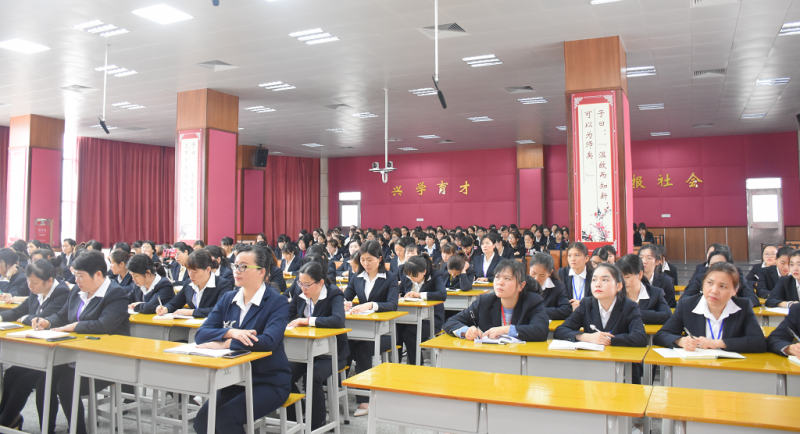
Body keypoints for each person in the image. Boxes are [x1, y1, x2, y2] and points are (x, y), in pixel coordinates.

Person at [192, 245, 291, 434]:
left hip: (268, 381)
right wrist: (232, 333)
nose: (236, 271)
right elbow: (201, 334)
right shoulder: (228, 298)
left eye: (243, 266)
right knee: (203, 422)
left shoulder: (276, 302)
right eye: (235, 265)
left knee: (225, 420)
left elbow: (268, 341)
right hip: (234, 380)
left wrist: (226, 343)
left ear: (262, 271)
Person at [32, 250, 130, 434]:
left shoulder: (116, 293)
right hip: (77, 356)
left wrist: (74, 326)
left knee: (67, 385)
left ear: (98, 274)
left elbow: (104, 325)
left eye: (80, 276)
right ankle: (47, 429)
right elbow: (62, 315)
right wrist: (48, 322)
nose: (76, 281)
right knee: (44, 381)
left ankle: (78, 431)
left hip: (107, 360)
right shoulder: (78, 290)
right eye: (75, 275)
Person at [0, 259, 69, 431]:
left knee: (22, 382)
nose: (29, 286)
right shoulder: (36, 290)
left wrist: (25, 318)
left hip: (59, 355)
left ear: (49, 281)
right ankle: (7, 419)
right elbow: (19, 311)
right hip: (38, 350)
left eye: (34, 283)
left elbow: (43, 318)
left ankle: (4, 422)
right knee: (11, 374)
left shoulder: (62, 292)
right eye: (28, 281)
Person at [285, 262, 348, 430]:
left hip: (331, 353)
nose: (303, 288)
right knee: (284, 373)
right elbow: (288, 315)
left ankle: (317, 423)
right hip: (304, 351)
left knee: (312, 376)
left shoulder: (333, 293)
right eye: (300, 283)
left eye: (307, 284)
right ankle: (297, 415)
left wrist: (307, 321)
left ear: (320, 282)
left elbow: (338, 320)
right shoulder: (300, 292)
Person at [654, 262, 766, 354]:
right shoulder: (687, 305)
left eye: (722, 286)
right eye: (710, 283)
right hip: (696, 367)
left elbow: (759, 342)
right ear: (703, 284)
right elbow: (661, 335)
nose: (714, 291)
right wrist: (681, 341)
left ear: (735, 290)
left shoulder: (743, 307)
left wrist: (718, 343)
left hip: (731, 368)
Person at [343, 240, 398, 416]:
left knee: (361, 347)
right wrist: (345, 303)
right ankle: (339, 391)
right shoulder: (357, 277)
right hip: (360, 330)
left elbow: (392, 304)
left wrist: (371, 305)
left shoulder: (390, 278)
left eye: (369, 260)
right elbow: (346, 296)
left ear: (379, 259)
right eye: (362, 260)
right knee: (344, 345)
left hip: (384, 333)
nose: (365, 264)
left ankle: (365, 399)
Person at [443, 259, 549, 341]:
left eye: (507, 278)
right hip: (490, 356)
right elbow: (451, 322)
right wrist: (466, 331)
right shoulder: (485, 301)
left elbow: (541, 331)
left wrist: (505, 330)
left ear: (521, 286)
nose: (500, 282)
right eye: (497, 277)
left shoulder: (532, 301)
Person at [554, 263, 648, 347]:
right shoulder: (586, 304)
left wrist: (608, 340)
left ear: (618, 286)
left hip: (619, 358)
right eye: (594, 279)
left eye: (605, 280)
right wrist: (587, 337)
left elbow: (640, 338)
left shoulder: (630, 306)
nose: (597, 284)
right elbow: (560, 331)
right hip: (593, 358)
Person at [156, 249, 234, 318]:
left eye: (194, 271)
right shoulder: (189, 284)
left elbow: (220, 309)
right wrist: (165, 308)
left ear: (208, 269)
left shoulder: (223, 285)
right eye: (188, 270)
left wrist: (192, 312)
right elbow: (175, 303)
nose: (190, 275)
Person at [399, 255, 446, 364]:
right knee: (396, 330)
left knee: (409, 333)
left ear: (424, 272)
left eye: (414, 276)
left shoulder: (435, 275)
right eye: (409, 275)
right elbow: (400, 290)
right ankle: (396, 364)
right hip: (409, 317)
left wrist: (419, 295)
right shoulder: (408, 277)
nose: (411, 278)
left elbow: (442, 295)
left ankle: (417, 365)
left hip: (431, 319)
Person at [683, 247, 760, 307]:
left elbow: (753, 300)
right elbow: (685, 298)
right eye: (712, 265)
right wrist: (710, 300)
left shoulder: (738, 279)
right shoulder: (700, 278)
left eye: (721, 265)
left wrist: (727, 302)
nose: (715, 268)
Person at [617, 254, 672, 324]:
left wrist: (634, 312)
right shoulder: (613, 294)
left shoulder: (655, 293)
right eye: (619, 278)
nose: (623, 282)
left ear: (640, 274)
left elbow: (667, 316)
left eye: (627, 277)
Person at [529, 253, 571, 320]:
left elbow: (566, 310)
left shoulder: (557, 287)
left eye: (542, 275)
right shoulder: (522, 285)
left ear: (550, 273)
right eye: (533, 273)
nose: (536, 278)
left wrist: (538, 311)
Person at [557, 242, 594, 309]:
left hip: (588, 312)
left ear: (586, 258)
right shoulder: (561, 273)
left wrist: (583, 304)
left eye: (576, 255)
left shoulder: (594, 275)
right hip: (568, 312)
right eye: (569, 255)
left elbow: (598, 298)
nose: (572, 259)